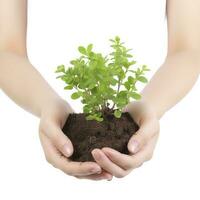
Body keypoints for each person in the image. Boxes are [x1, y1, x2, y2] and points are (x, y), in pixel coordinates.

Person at [0, 0, 199, 181]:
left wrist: (150, 107)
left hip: (155, 177)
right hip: (41, 177)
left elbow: (187, 49)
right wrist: (47, 105)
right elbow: (6, 50)